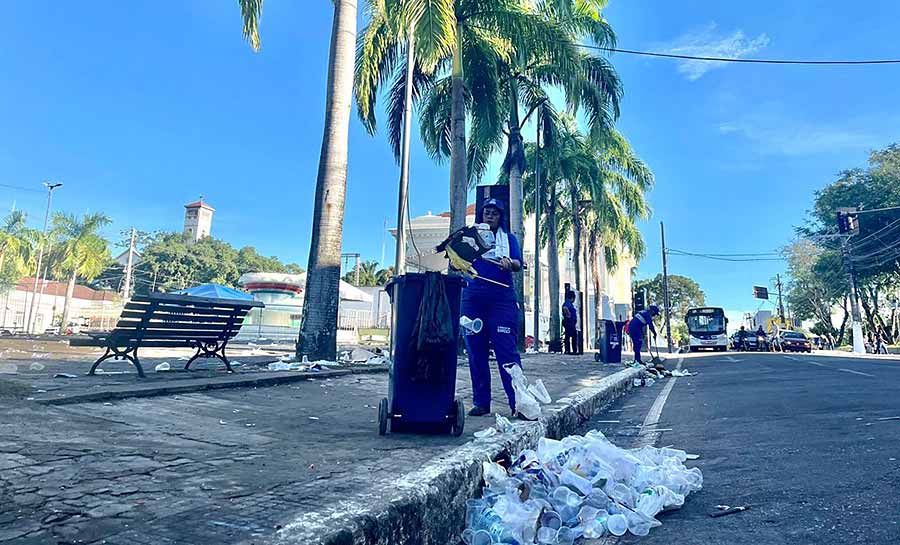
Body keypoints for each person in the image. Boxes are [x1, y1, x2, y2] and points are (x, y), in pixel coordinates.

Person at [460, 199, 525, 418]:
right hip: (472, 300)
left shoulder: (509, 239)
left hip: (502, 300)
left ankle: (519, 402)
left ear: (500, 218)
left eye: (494, 214)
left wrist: (510, 263)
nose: (490, 216)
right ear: (481, 215)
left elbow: (518, 263)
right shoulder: (470, 237)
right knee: (475, 352)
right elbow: (456, 259)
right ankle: (481, 402)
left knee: (507, 353)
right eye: (487, 212)